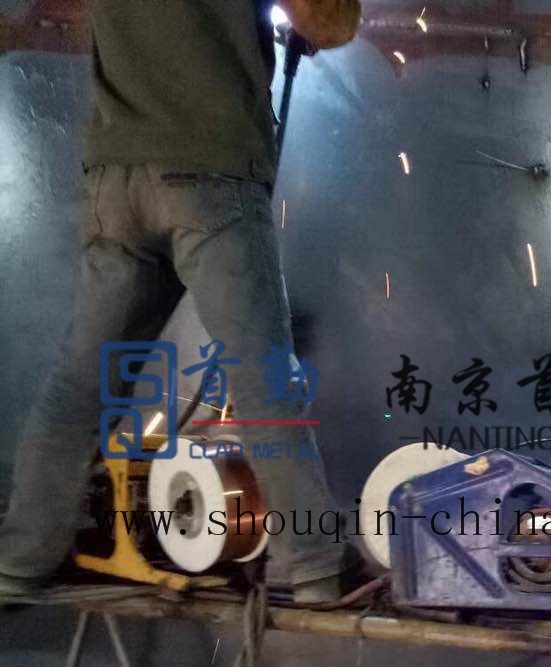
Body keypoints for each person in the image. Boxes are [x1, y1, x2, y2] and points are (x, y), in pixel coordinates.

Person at [0, 0, 361, 602]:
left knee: (81, 384)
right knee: (263, 379)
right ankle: (316, 561)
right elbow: (329, 21)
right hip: (209, 170)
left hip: (116, 176)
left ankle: (20, 558)